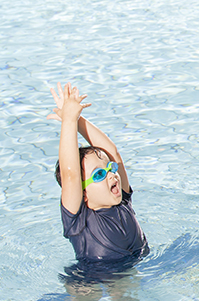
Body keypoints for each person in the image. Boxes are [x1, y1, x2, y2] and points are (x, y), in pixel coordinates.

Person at [48, 82, 148, 262]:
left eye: (110, 168)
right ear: (83, 193)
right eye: (99, 174)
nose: (111, 174)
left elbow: (113, 152)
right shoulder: (80, 221)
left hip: (135, 270)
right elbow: (70, 176)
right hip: (91, 281)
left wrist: (78, 120)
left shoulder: (123, 201)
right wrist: (69, 120)